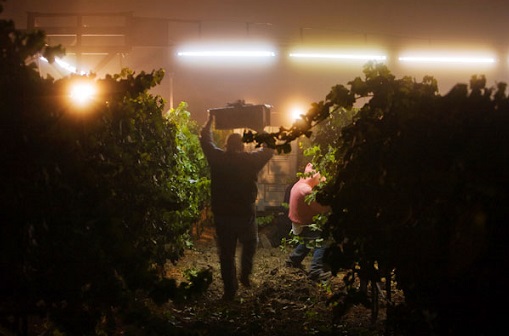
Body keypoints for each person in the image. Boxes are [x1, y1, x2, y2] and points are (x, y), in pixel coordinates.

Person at [199, 110, 274, 300]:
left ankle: (230, 291)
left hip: (223, 214)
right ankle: (245, 274)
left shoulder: (218, 159)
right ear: (242, 146)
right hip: (244, 214)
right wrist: (260, 129)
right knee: (250, 242)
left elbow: (205, 141)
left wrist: (209, 121)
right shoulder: (249, 160)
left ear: (226, 145)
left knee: (226, 254)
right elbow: (269, 149)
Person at [286, 163, 332, 282]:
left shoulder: (299, 184)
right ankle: (315, 271)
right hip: (303, 223)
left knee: (308, 240)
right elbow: (321, 209)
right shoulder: (306, 190)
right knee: (322, 240)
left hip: (298, 222)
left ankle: (293, 260)